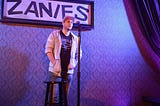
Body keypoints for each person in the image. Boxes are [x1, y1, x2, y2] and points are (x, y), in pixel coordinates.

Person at [45, 16, 82, 105]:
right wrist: (54, 63)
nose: (70, 24)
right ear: (63, 23)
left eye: (72, 22)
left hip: (68, 71)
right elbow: (48, 50)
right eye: (68, 21)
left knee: (64, 97)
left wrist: (74, 64)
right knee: (54, 98)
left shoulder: (75, 38)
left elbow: (79, 53)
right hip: (55, 71)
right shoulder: (54, 35)